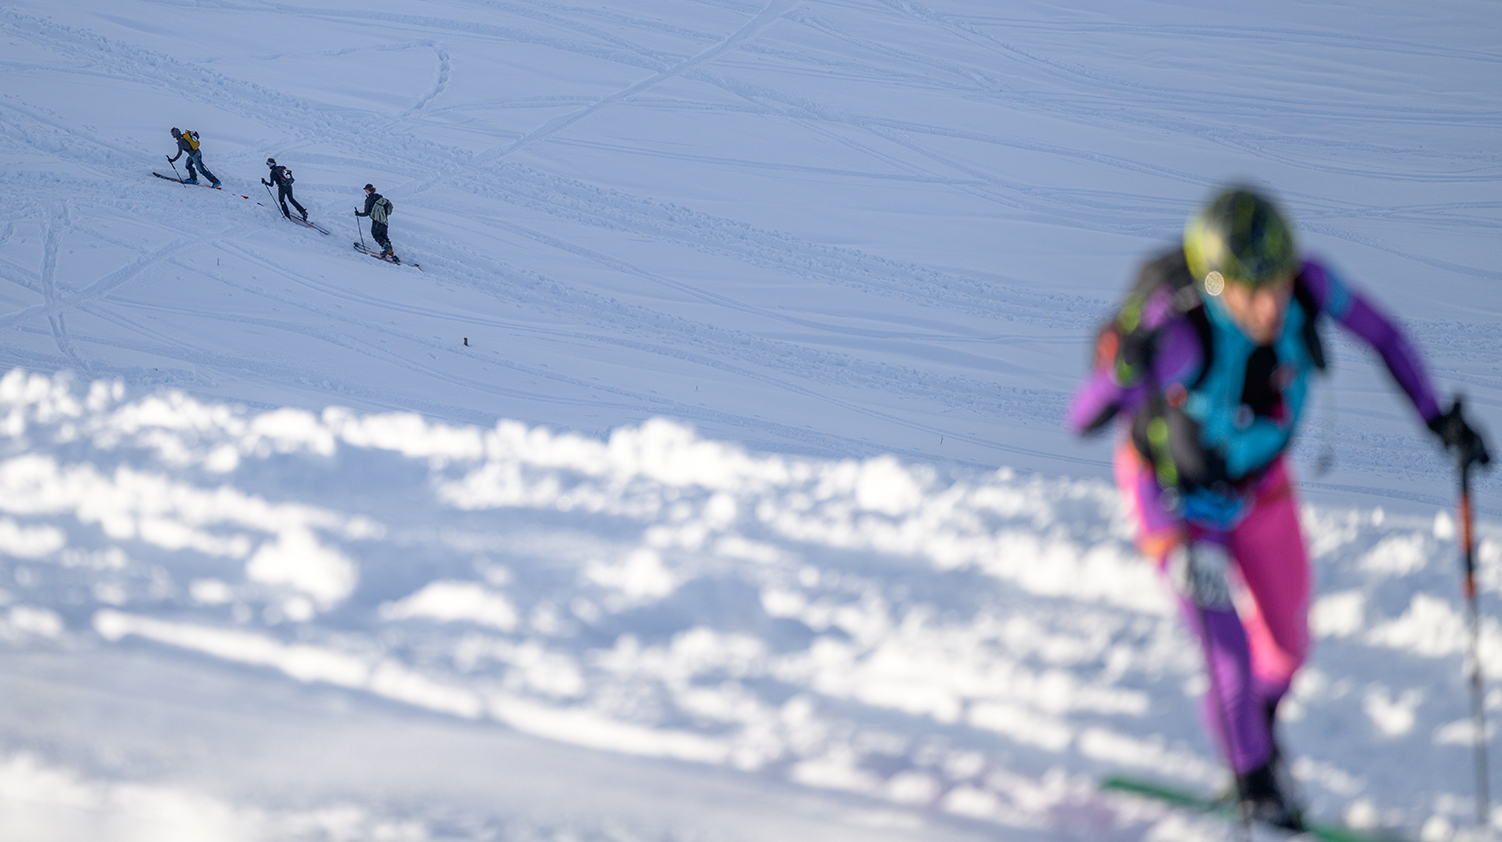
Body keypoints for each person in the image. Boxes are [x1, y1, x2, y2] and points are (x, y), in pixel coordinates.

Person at [1066, 185, 1490, 829]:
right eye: (1252, 290)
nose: (1272, 304)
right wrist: (1121, 371)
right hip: (1180, 508)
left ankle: (1255, 733)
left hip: (1262, 490)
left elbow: (1383, 335)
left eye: (1279, 283)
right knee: (1230, 659)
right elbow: (1084, 419)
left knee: (1288, 648)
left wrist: (1438, 419)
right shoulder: (1180, 338)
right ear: (1217, 284)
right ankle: (1257, 789)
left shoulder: (1309, 286)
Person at [355, 184, 396, 260]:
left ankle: (385, 247)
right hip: (384, 220)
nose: (366, 191)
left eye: (366, 190)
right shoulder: (379, 197)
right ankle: (390, 253)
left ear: (369, 190)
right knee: (384, 236)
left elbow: (367, 212)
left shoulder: (369, 199)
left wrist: (358, 214)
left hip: (377, 220)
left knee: (376, 234)